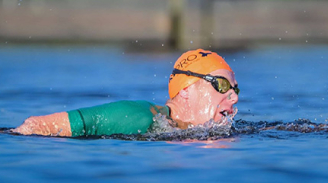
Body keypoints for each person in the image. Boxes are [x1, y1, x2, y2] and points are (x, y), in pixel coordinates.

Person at [12, 49, 240, 137]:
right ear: (187, 89)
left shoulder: (186, 131)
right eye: (221, 85)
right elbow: (35, 126)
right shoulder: (143, 116)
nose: (234, 97)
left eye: (235, 89)